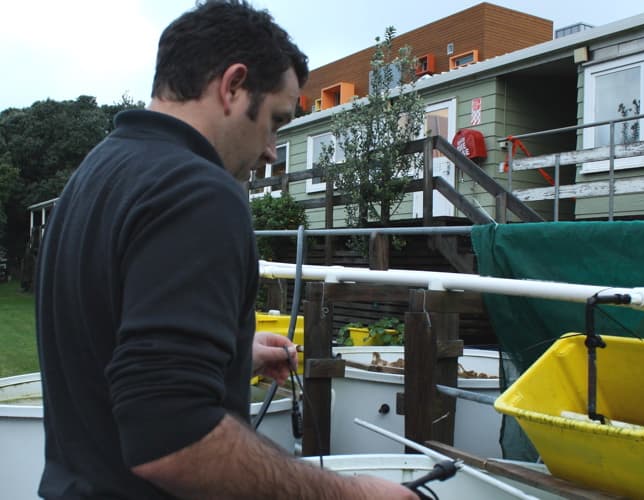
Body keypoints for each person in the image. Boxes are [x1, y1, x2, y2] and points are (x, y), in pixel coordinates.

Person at [34, 1, 417, 498]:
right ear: (233, 85)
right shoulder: (199, 191)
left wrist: (234, 356)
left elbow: (105, 342)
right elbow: (172, 440)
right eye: (276, 122)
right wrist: (351, 494)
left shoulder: (96, 174)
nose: (270, 151)